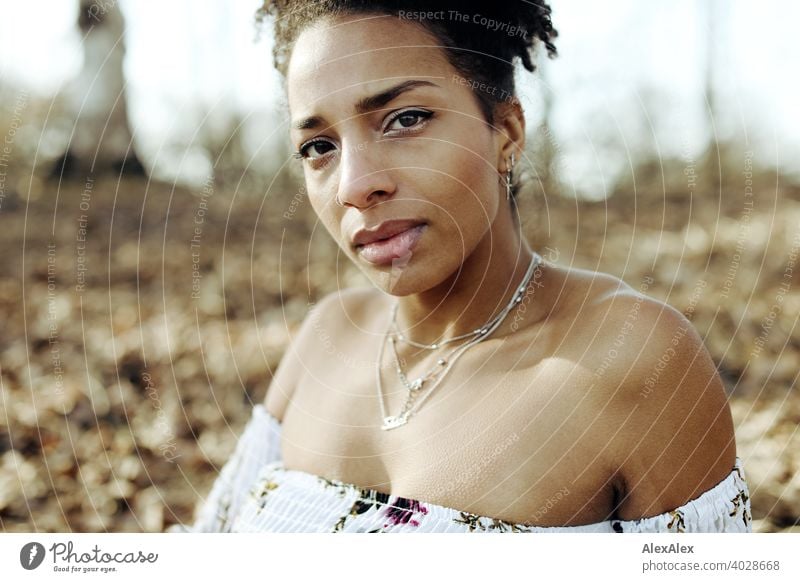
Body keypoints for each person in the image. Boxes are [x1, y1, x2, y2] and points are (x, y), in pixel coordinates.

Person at [176, 1, 751, 533]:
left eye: (405, 119)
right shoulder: (327, 336)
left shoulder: (631, 358)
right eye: (318, 147)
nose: (355, 186)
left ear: (506, 130)